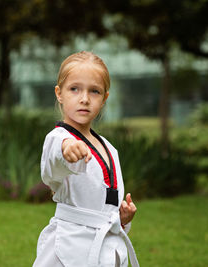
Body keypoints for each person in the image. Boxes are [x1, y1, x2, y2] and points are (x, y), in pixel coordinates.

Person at [32, 51, 139, 267]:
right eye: (74, 89)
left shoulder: (110, 149)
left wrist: (122, 218)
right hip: (71, 248)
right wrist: (66, 149)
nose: (84, 98)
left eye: (94, 91)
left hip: (108, 248)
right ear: (59, 93)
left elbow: (103, 205)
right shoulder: (58, 138)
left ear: (104, 98)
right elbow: (52, 167)